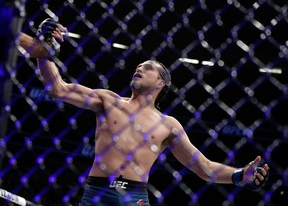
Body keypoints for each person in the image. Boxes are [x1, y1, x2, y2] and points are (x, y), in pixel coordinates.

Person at [36, 19, 270, 206]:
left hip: (135, 197)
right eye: (138, 67)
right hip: (98, 192)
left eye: (148, 69)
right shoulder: (108, 100)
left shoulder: (168, 125)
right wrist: (44, 50)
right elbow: (58, 89)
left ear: (161, 84)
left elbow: (204, 168)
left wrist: (240, 175)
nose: (139, 68)